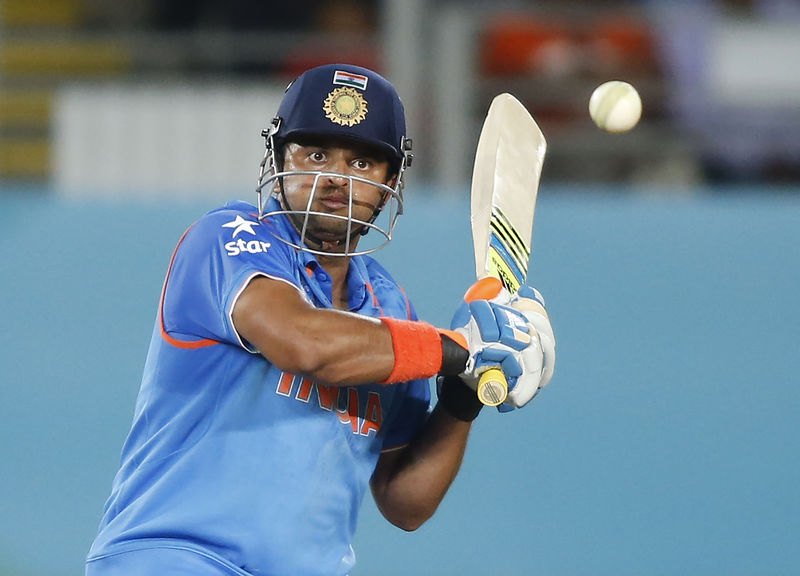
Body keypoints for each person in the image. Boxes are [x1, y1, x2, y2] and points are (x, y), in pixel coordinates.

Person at [85, 63, 556, 576]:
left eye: (362, 163)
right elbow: (302, 342)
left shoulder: (390, 307)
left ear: (390, 182)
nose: (336, 177)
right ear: (277, 158)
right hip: (176, 559)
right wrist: (456, 347)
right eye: (315, 154)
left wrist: (465, 391)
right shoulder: (227, 237)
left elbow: (405, 501)